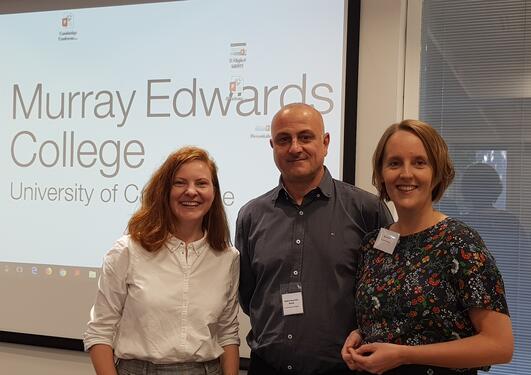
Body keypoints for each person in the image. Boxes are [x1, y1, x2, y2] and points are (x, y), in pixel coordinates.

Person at [341, 120, 514, 375]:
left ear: (437, 173)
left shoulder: (459, 243)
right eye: (394, 163)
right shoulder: (373, 244)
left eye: (419, 162)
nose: (406, 173)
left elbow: (499, 346)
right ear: (381, 173)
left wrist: (403, 356)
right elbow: (394, 317)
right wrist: (360, 334)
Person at [237, 103, 393, 375]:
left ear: (326, 142)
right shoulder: (251, 215)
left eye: (305, 137)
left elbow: (386, 291)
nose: (295, 147)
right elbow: (249, 296)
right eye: (284, 139)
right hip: (266, 367)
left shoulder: (368, 210)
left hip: (344, 368)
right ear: (272, 146)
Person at [83, 146, 240, 375]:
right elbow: (99, 332)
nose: (191, 191)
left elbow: (227, 333)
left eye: (201, 183)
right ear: (164, 190)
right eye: (180, 183)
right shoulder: (127, 251)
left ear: (214, 193)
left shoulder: (227, 258)